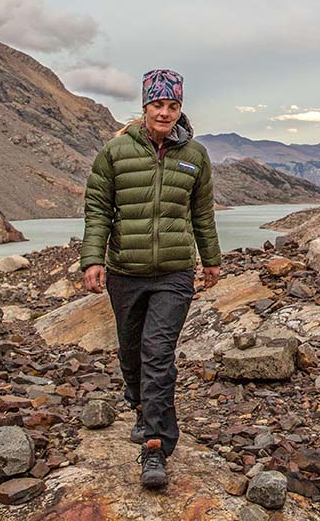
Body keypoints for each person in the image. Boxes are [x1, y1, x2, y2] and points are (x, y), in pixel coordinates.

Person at [79, 68, 221, 490]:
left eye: (173, 105)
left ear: (180, 108)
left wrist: (211, 260)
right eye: (158, 105)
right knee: (131, 351)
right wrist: (93, 259)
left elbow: (202, 215)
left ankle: (155, 448)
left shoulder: (194, 155)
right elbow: (98, 210)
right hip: (126, 271)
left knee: (157, 352)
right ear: (145, 107)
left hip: (175, 272)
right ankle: (141, 408)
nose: (165, 113)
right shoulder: (115, 152)